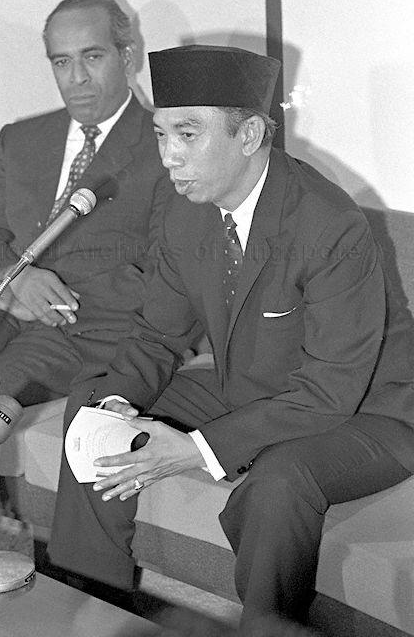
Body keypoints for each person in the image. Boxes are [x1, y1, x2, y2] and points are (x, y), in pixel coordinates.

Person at [47, 44, 414, 633]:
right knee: (90, 407)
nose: (169, 155)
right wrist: (116, 405)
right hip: (253, 388)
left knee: (279, 483)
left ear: (249, 135)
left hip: (369, 410)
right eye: (162, 134)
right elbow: (157, 336)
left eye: (187, 135)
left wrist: (196, 449)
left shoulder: (328, 224)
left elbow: (328, 393)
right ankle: (90, 605)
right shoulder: (185, 210)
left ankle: (267, 627)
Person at [0, 0, 173, 510]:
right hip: (3, 302)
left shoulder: (164, 145)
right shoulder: (22, 138)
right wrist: (19, 280)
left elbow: (164, 270)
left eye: (92, 57)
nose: (77, 78)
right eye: (61, 62)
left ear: (127, 56)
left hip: (90, 325)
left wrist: (56, 297)